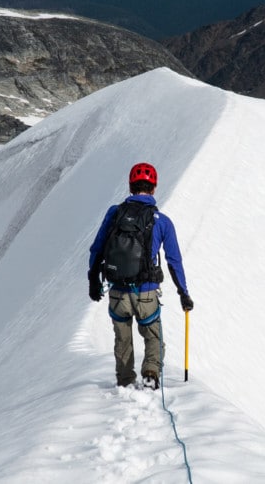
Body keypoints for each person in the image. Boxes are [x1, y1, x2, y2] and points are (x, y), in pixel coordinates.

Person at [88, 162, 193, 389]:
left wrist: (93, 280)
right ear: (154, 188)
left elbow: (97, 248)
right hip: (146, 294)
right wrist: (183, 293)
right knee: (153, 337)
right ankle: (150, 374)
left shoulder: (114, 213)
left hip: (117, 293)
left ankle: (125, 383)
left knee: (122, 340)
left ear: (130, 187)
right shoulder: (161, 221)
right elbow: (173, 261)